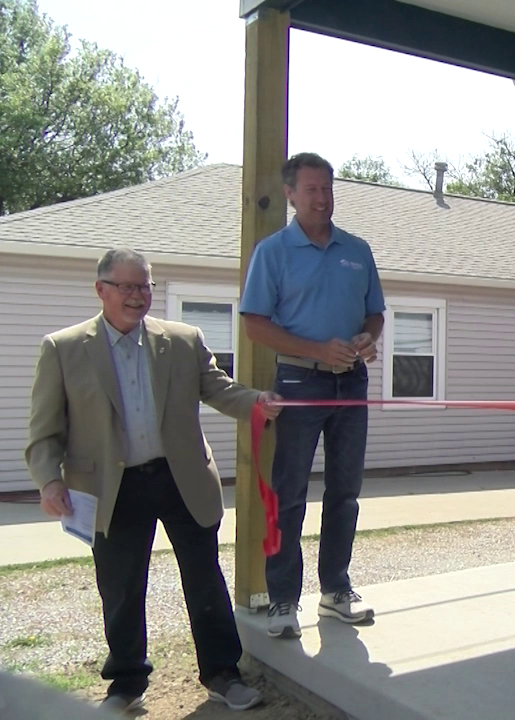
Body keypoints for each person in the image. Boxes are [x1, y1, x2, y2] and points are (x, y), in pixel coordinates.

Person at [26, 248, 282, 714]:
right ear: (100, 289)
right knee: (122, 586)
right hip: (112, 487)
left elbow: (219, 389)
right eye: (126, 286)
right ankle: (126, 683)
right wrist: (48, 481)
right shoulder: (63, 348)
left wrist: (258, 401)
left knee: (204, 578)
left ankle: (224, 673)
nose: (137, 295)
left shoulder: (183, 340)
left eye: (145, 285)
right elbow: (44, 431)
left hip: (180, 477)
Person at [240, 152, 386, 639]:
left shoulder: (357, 250)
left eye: (327, 188)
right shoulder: (274, 251)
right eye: (311, 190)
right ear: (290, 194)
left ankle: (335, 591)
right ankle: (283, 600)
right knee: (290, 495)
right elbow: (256, 324)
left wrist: (368, 338)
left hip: (352, 384)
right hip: (300, 383)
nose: (322, 198)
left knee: (345, 493)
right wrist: (316, 348)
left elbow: (375, 314)